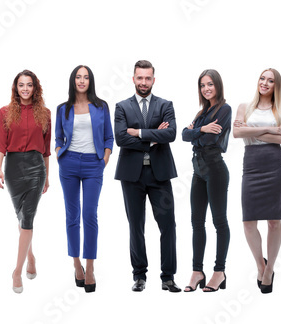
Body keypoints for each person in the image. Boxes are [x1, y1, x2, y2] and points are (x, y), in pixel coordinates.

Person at [113, 60, 181, 292]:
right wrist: (154, 138)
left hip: (159, 174)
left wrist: (140, 133)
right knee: (136, 226)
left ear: (154, 79)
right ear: (133, 79)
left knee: (168, 225)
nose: (143, 82)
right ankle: (139, 275)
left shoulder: (165, 105)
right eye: (139, 78)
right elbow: (121, 138)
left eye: (147, 78)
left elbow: (170, 134)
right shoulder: (122, 107)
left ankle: (168, 277)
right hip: (131, 176)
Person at [54, 65, 114, 293]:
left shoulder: (100, 107)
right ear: (73, 80)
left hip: (93, 164)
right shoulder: (63, 108)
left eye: (85, 77)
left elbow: (109, 137)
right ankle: (76, 263)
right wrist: (60, 152)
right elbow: (59, 136)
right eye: (78, 77)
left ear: (91, 81)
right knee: (72, 215)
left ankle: (90, 267)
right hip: (68, 163)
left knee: (89, 214)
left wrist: (104, 159)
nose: (81, 81)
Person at [232, 68, 281, 294]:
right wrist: (269, 129)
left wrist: (250, 130)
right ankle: (260, 264)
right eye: (262, 78)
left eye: (270, 80)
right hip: (252, 165)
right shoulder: (243, 107)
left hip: (275, 165)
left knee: (274, 221)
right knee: (248, 222)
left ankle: (270, 269)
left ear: (276, 86)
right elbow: (236, 134)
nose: (265, 83)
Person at [0, 70, 51, 294]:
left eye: (29, 85)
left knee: (27, 217)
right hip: (13, 168)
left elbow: (47, 150)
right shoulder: (5, 112)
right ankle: (30, 256)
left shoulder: (45, 114)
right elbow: (0, 144)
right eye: (22, 85)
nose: (25, 89)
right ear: (16, 88)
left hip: (37, 167)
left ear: (35, 88)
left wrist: (48, 175)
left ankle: (16, 271)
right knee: (20, 215)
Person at [181, 69, 233, 292]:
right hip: (197, 170)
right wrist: (201, 129)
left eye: (210, 84)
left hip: (215, 169)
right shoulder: (202, 112)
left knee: (219, 222)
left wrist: (197, 134)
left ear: (218, 86)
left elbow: (212, 138)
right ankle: (197, 271)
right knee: (196, 222)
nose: (206, 88)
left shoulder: (225, 109)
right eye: (203, 85)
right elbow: (183, 134)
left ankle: (219, 271)